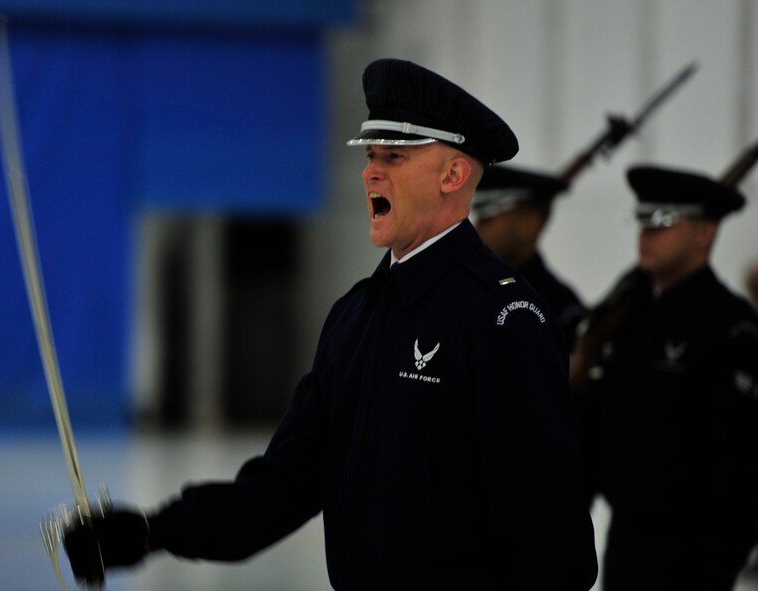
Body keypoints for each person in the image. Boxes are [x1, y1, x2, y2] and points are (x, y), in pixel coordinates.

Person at [61, 58, 598, 590]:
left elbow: (552, 542)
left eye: (394, 155)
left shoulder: (503, 320)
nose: (370, 171)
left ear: (453, 175)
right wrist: (151, 532)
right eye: (369, 155)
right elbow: (284, 484)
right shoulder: (355, 317)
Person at [573, 163, 758, 590]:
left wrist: (720, 563)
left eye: (662, 223)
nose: (645, 235)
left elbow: (741, 464)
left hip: (695, 554)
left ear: (703, 233)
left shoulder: (730, 328)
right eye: (642, 222)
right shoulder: (626, 316)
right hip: (624, 542)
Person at [472, 166, 586, 348]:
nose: (478, 228)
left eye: (488, 218)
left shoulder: (558, 307)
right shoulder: (469, 286)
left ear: (529, 224)